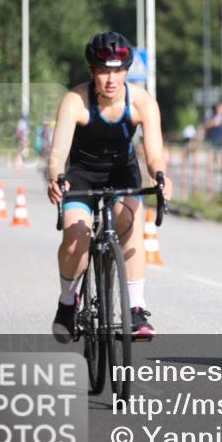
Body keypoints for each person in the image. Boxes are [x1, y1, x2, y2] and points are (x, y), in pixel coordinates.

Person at [46, 32, 173, 343]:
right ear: (92, 72)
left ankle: (136, 309)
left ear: (127, 71)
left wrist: (160, 176)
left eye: (118, 71)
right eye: (104, 71)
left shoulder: (142, 101)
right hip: (81, 173)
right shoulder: (76, 101)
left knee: (129, 220)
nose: (111, 79)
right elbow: (58, 153)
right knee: (76, 236)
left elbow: (155, 153)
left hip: (121, 171)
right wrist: (55, 176)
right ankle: (67, 303)